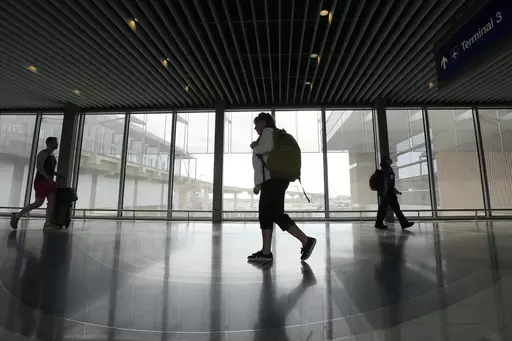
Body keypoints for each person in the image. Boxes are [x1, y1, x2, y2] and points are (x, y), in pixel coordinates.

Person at [248, 112, 316, 262]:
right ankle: (266, 252)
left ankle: (306, 241)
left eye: (256, 124)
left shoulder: (268, 132)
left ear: (264, 122)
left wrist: (254, 146)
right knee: (267, 214)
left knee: (274, 214)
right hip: (273, 180)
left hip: (273, 181)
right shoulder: (272, 134)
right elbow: (264, 164)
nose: (255, 128)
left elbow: (265, 148)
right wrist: (258, 186)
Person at [10, 137, 61, 230]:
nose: (57, 144)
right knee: (38, 203)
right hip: (41, 182)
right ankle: (17, 215)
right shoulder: (43, 153)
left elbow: (49, 169)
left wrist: (55, 174)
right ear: (49, 143)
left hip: (49, 182)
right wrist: (47, 177)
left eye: (57, 142)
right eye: (55, 142)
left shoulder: (52, 155)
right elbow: (39, 166)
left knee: (52, 202)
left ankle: (48, 223)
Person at [375, 155, 414, 230]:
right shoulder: (386, 168)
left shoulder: (387, 168)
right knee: (385, 208)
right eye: (389, 159)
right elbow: (386, 179)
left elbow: (389, 181)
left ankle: (404, 223)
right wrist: (386, 190)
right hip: (387, 192)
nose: (391, 160)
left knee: (389, 208)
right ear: (386, 160)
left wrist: (394, 190)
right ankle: (403, 223)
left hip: (388, 192)